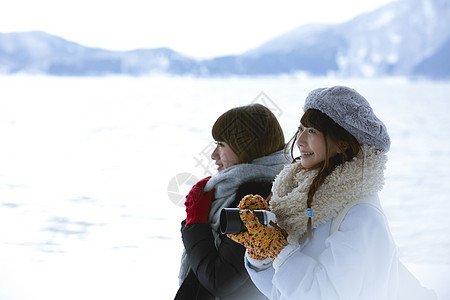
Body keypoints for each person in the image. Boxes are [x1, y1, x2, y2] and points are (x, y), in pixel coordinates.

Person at [229, 86, 437, 300]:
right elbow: (280, 293)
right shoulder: (301, 200)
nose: (300, 141)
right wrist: (261, 256)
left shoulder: (360, 215)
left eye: (312, 131)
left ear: (342, 143)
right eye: (300, 129)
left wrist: (280, 251)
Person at [175, 103, 289, 299]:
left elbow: (218, 281)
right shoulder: (237, 189)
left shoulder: (256, 199)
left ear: (246, 148)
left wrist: (196, 222)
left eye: (221, 145)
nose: (213, 155)